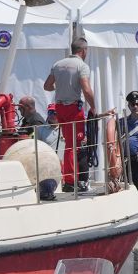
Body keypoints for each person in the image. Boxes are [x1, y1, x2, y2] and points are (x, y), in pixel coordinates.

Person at [44, 38, 96, 192]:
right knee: (73, 145)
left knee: (69, 144)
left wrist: (60, 87)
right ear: (83, 50)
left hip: (60, 107)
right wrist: (94, 107)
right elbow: (86, 90)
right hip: (74, 108)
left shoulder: (57, 64)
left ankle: (70, 178)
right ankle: (71, 180)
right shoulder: (82, 66)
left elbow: (47, 86)